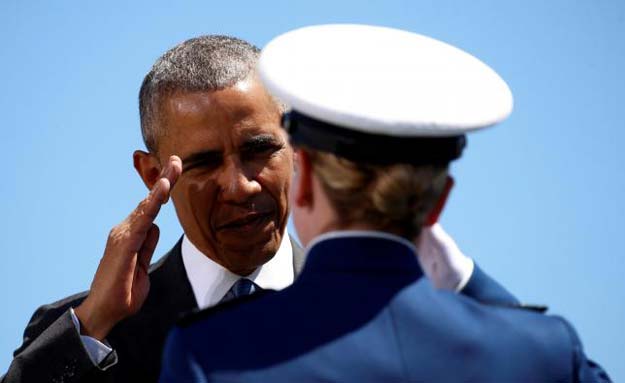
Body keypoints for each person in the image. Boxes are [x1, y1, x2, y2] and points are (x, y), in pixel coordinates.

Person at [3, 35, 517, 383]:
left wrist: (466, 290)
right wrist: (95, 322)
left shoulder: (385, 319)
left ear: (298, 149)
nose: (241, 185)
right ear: (151, 175)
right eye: (203, 163)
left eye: (259, 150)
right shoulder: (87, 335)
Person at [159, 25, 611, 382]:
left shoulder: (215, 355)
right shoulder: (542, 352)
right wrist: (475, 290)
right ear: (438, 204)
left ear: (305, 180)